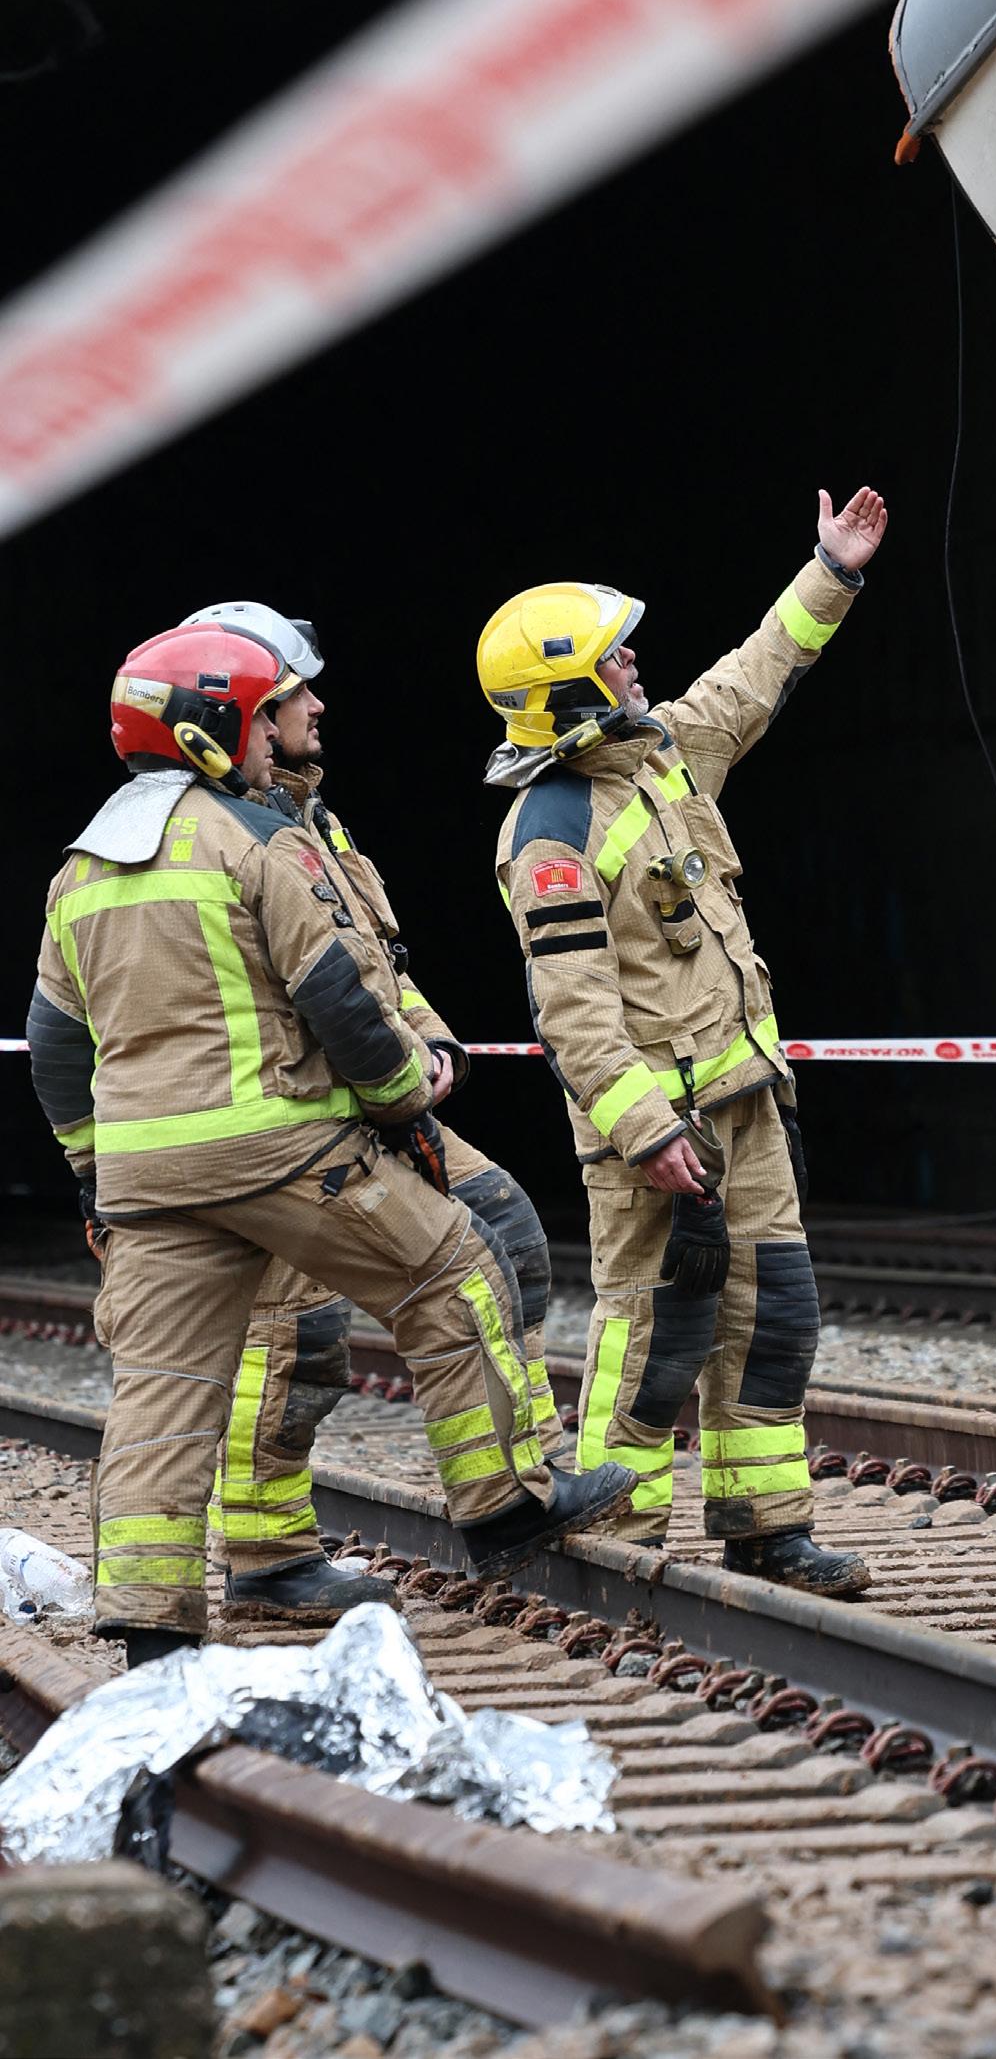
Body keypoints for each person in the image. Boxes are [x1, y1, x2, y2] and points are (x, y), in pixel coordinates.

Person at [27, 625, 633, 1662]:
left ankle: (149, 1629)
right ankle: (505, 1505)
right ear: (214, 727)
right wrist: (402, 1103)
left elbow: (53, 1044)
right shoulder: (251, 841)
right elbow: (338, 997)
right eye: (263, 713)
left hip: (144, 1179)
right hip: (278, 1148)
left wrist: (92, 1172)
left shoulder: (79, 870)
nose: (280, 730)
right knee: (455, 1272)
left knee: (163, 1392)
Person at [478, 488, 885, 1596]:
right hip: (659, 1133)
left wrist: (832, 571)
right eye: (612, 656)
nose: (633, 663)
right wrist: (647, 1131)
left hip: (744, 1104)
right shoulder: (553, 829)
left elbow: (753, 676)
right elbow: (573, 1010)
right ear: (569, 689)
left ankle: (767, 1526)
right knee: (657, 1334)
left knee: (772, 1314)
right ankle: (621, 1537)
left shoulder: (659, 758)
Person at [174, 601, 569, 1605]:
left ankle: (523, 1480)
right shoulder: (212, 834)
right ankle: (266, 1557)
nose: (318, 705)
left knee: (506, 1230)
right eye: (296, 691)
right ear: (248, 712)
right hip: (287, 1117)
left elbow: (374, 963)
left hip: (368, 1094)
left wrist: (431, 1042)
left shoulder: (311, 818)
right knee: (294, 1335)